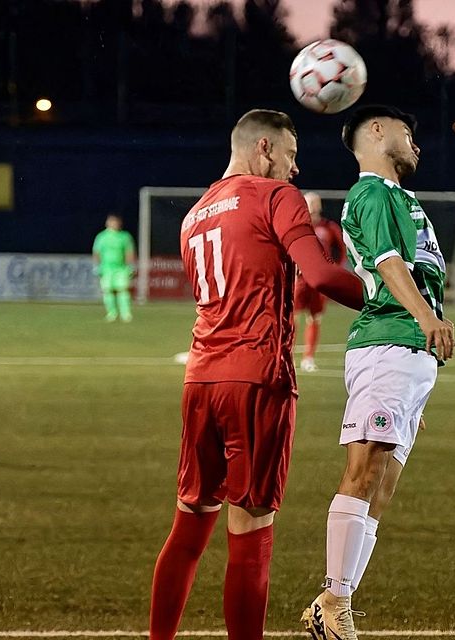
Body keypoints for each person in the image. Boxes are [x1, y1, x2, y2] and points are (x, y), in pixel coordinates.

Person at [149, 109, 365, 640]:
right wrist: (395, 300)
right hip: (257, 378)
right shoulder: (275, 196)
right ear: (265, 148)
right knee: (250, 530)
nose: (294, 171)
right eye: (290, 156)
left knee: (189, 523)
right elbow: (318, 274)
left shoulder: (195, 213)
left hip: (201, 378)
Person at [300, 105, 455, 640]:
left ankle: (340, 601)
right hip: (388, 341)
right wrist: (426, 318)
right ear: (376, 131)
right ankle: (333, 600)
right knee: (363, 471)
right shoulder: (371, 194)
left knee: (382, 486)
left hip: (409, 356)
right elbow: (387, 263)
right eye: (408, 134)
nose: (417, 145)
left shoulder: (402, 198)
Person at [295, 191, 347, 373]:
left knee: (315, 317)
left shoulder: (328, 227)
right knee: (292, 318)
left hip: (320, 281)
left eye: (316, 203)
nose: (313, 206)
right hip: (300, 279)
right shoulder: (297, 225)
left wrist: (334, 269)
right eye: (310, 203)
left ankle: (308, 358)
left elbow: (342, 249)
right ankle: (286, 354)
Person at [92, 213, 136, 322]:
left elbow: (129, 252)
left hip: (121, 268)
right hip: (106, 268)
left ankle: (126, 314)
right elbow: (96, 252)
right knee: (108, 291)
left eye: (115, 222)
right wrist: (97, 266)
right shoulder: (101, 237)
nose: (113, 224)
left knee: (123, 290)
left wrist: (130, 266)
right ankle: (111, 313)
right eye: (111, 222)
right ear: (107, 223)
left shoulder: (124, 236)